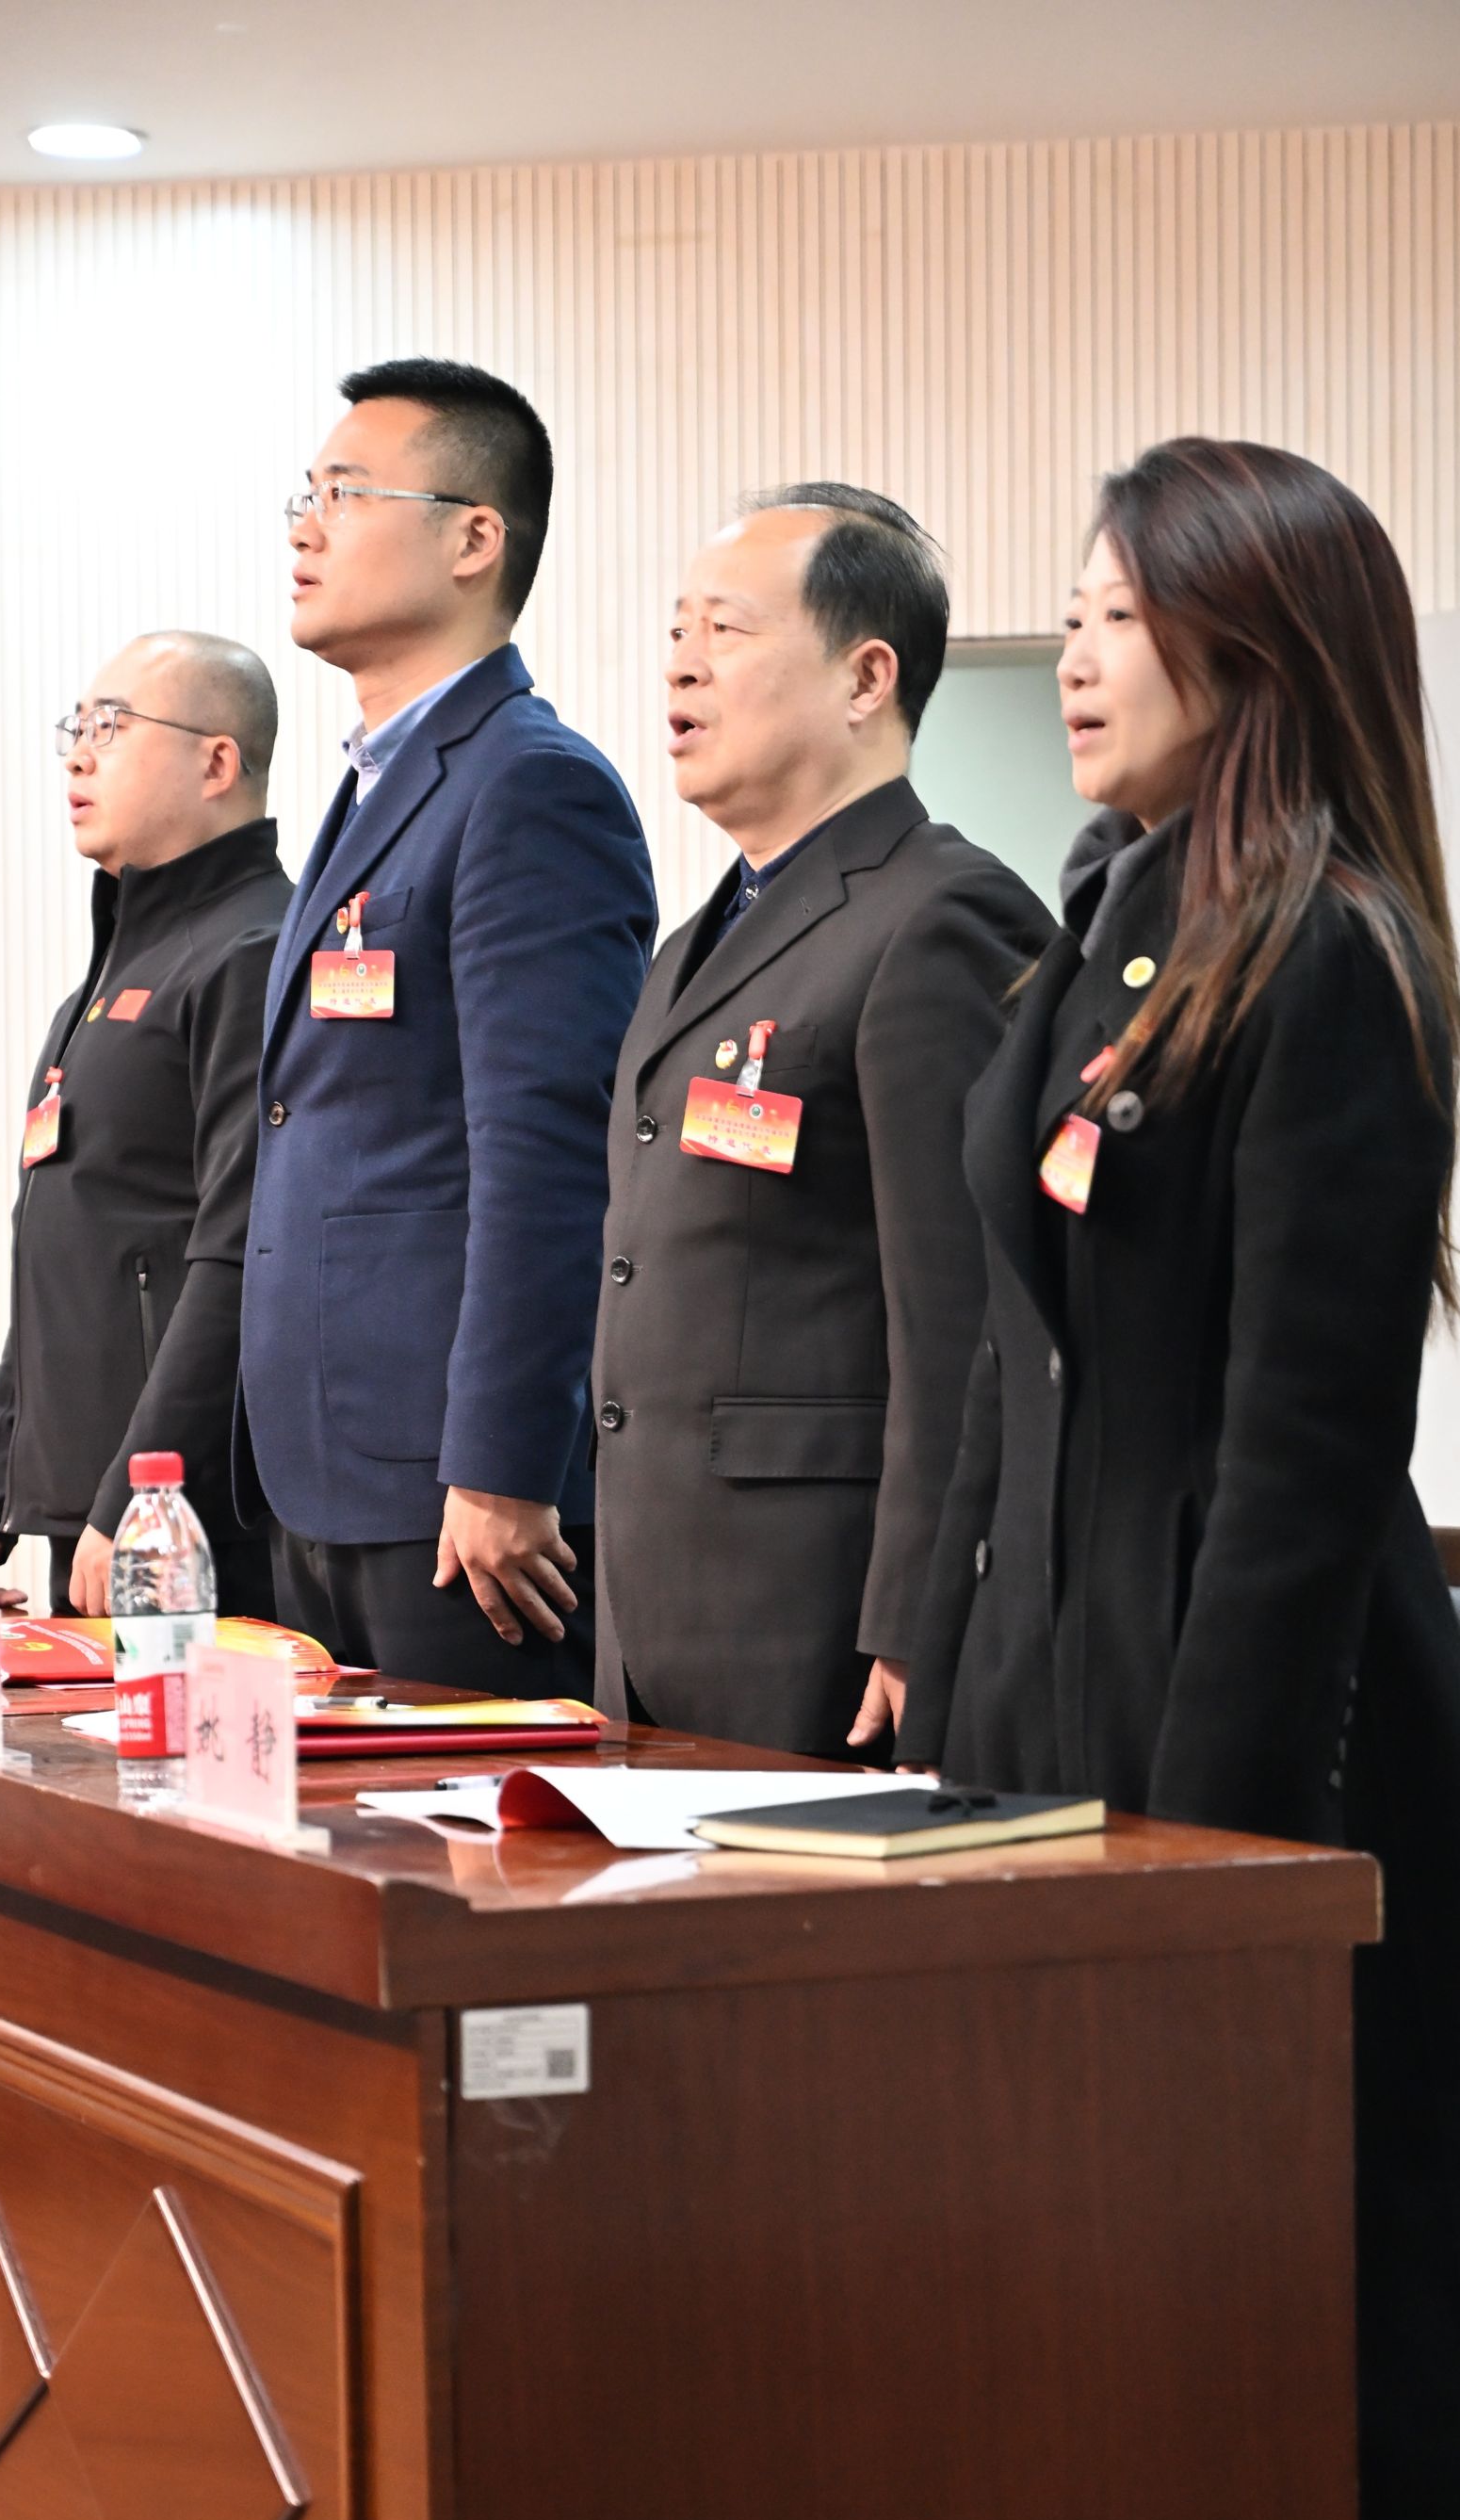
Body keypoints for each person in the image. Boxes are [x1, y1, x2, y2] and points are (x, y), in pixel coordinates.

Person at [896, 438, 1460, 2520]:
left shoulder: (1328, 954)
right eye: (1075, 613)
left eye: (1119, 615)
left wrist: (1214, 1848)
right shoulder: (1107, 916)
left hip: (1235, 1718)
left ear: (1249, 647)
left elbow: (1300, 1453)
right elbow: (1009, 1347)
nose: (1078, 655)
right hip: (1048, 1681)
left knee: (1242, 2286)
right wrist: (944, 1683)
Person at [591, 487, 1055, 1759]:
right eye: (676, 630)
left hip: (824, 1620)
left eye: (726, 629)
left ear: (865, 678)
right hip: (654, 1609)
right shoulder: (689, 948)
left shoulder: (940, 917)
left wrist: (920, 1612)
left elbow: (965, 1315)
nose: (681, 664)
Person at [239, 357, 657, 1694]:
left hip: (460, 1502)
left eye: (345, 493)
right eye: (304, 496)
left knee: (462, 1823)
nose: (305, 527)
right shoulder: (372, 788)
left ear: (475, 538)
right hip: (325, 1472)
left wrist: (502, 1462)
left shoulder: (530, 786)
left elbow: (548, 1148)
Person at [0, 632, 290, 1620]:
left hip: (188, 1525)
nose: (78, 757)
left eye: (112, 727)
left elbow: (238, 1250)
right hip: (97, 1515)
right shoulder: (103, 986)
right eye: (77, 729)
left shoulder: (255, 953)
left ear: (216, 763)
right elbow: (59, 1261)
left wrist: (142, 1490)